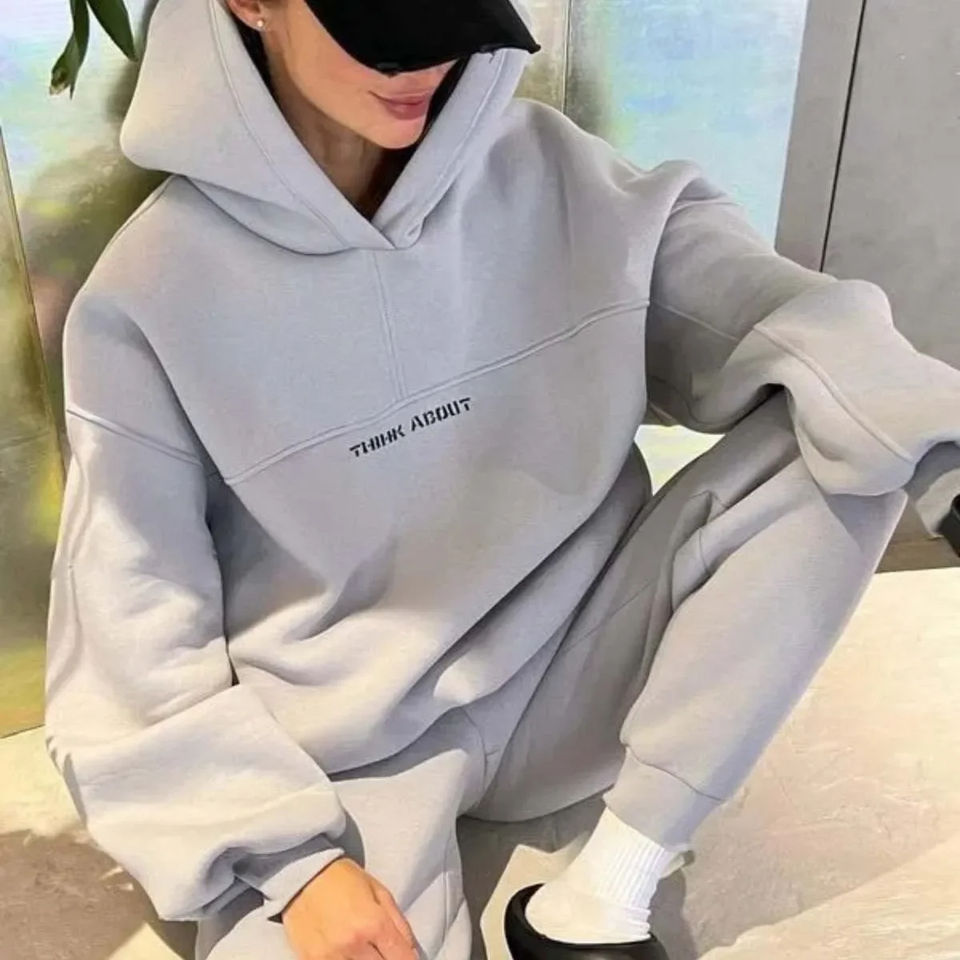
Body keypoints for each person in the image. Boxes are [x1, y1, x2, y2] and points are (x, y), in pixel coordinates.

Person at [43, 0, 960, 958]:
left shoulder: (548, 169)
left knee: (846, 424)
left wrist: (938, 450)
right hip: (350, 754)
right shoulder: (149, 293)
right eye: (386, 31)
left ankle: (603, 899)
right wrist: (294, 866)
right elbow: (132, 634)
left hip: (584, 670)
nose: (426, 63)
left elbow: (766, 311)